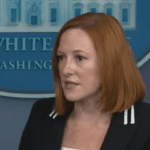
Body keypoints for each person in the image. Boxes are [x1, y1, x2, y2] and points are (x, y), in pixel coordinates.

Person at [18, 12, 150, 150]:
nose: (65, 69)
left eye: (79, 58)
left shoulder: (145, 123)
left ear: (111, 62)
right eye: (61, 57)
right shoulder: (42, 113)